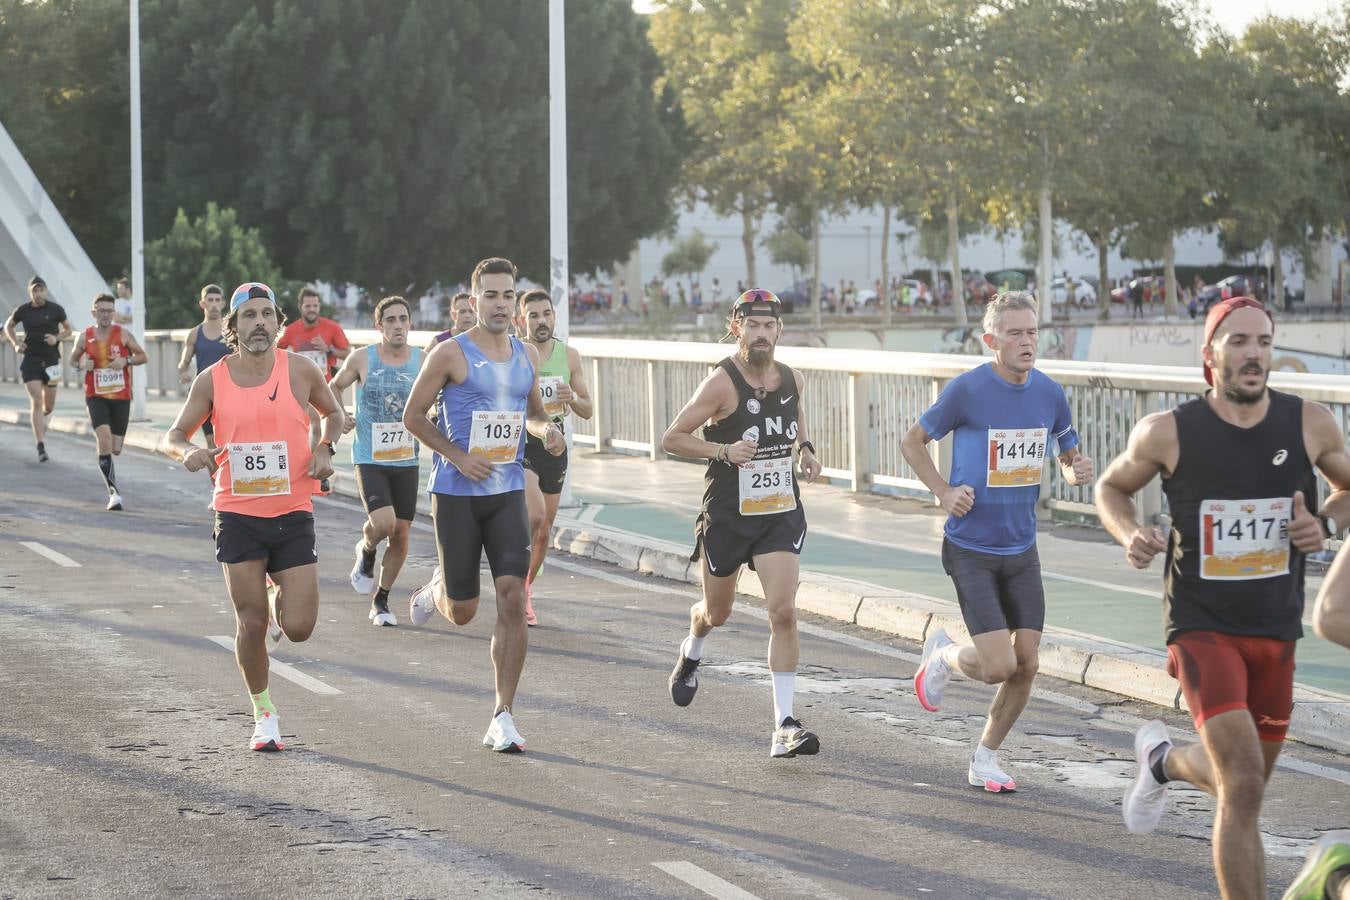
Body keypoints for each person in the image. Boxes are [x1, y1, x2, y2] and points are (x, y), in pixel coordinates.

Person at [1094, 297, 1350, 900]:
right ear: (1209, 356)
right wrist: (1130, 532)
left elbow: (1347, 488)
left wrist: (1326, 524)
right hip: (1200, 627)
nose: (1253, 353)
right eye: (1237, 342)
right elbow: (1111, 486)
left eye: (1263, 341)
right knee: (1240, 781)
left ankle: (1161, 762)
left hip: (1276, 627)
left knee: (1247, 783)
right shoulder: (1167, 431)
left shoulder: (1309, 423)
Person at [899, 291, 1093, 793]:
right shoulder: (966, 391)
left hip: (1022, 549)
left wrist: (1076, 472)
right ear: (992, 340)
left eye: (1032, 331)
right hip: (971, 550)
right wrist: (942, 492)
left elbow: (1067, 459)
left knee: (1026, 663)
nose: (1027, 341)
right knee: (997, 666)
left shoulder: (1050, 393)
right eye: (1015, 333)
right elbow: (912, 441)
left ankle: (985, 758)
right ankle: (941, 656)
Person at [162, 282, 341, 752]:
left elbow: (334, 414)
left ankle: (277, 587)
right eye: (249, 316)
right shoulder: (212, 379)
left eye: (266, 314)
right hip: (237, 513)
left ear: (278, 322)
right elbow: (175, 433)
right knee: (251, 622)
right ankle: (263, 711)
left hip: (292, 509)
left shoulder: (299, 370)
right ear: (233, 326)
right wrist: (188, 451)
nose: (259, 323)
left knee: (299, 627)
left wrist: (325, 447)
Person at [403, 258, 565, 753]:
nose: (501, 304)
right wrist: (457, 455)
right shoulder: (450, 355)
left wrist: (547, 431)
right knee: (465, 611)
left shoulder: (524, 357)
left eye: (508, 295)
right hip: (456, 494)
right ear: (473, 301)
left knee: (514, 596)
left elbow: (533, 414)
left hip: (507, 492)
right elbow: (413, 417)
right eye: (491, 295)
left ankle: (503, 714)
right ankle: (438, 593)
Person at [662, 288, 823, 759]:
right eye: (752, 326)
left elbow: (794, 418)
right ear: (736, 328)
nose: (761, 335)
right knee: (718, 613)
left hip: (778, 511)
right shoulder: (721, 382)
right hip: (729, 515)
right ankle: (692, 646)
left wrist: (806, 450)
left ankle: (783, 725)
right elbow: (672, 437)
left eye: (769, 326)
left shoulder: (793, 377)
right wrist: (722, 452)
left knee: (784, 611)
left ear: (779, 330)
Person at [330, 295, 423, 627]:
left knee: (401, 534)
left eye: (403, 319)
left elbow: (440, 395)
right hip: (370, 456)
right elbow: (332, 387)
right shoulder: (362, 358)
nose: (398, 326)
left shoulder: (422, 360)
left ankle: (381, 600)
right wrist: (340, 414)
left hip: (406, 458)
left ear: (410, 323)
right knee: (384, 524)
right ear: (379, 325)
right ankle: (367, 548)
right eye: (391, 320)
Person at [516, 287, 593, 626]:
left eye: (546, 313)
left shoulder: (570, 356)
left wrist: (571, 397)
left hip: (555, 445)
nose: (541, 320)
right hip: (522, 441)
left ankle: (526, 590)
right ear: (523, 320)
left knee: (545, 529)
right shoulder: (515, 352)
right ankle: (515, 589)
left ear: (554, 316)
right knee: (533, 517)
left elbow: (588, 409)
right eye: (533, 315)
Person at [70, 293, 148, 509]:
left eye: (109, 311)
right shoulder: (84, 336)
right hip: (95, 395)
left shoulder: (123, 334)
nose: (105, 315)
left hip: (121, 397)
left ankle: (110, 465)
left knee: (116, 448)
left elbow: (143, 356)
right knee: (103, 439)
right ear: (93, 312)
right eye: (101, 310)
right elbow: (72, 360)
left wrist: (126, 360)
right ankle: (113, 493)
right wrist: (80, 365)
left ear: (113, 312)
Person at [277, 286, 350, 492]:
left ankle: (317, 465)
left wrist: (329, 350)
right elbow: (275, 353)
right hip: (302, 391)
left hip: (325, 388)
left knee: (327, 429)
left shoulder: (332, 328)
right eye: (308, 306)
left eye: (315, 305)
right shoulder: (291, 331)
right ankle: (312, 468)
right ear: (301, 307)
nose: (312, 309)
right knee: (315, 425)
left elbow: (348, 353)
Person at [4, 275, 73, 462]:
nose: (38, 293)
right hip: (31, 361)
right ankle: (40, 447)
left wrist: (56, 338)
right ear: (30, 291)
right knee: (35, 400)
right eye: (35, 290)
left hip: (51, 361)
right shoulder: (22, 310)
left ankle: (41, 419)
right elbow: (8, 326)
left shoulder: (56, 309)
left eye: (41, 289)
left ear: (46, 290)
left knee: (48, 406)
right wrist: (16, 343)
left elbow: (69, 329)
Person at [177, 284, 231, 450]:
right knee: (211, 443)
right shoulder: (195, 334)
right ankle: (216, 478)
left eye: (217, 300)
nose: (214, 304)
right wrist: (183, 372)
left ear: (223, 303)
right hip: (205, 395)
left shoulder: (232, 332)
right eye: (210, 300)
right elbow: (183, 364)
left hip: (230, 392)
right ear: (203, 304)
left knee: (231, 442)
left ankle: (228, 476)